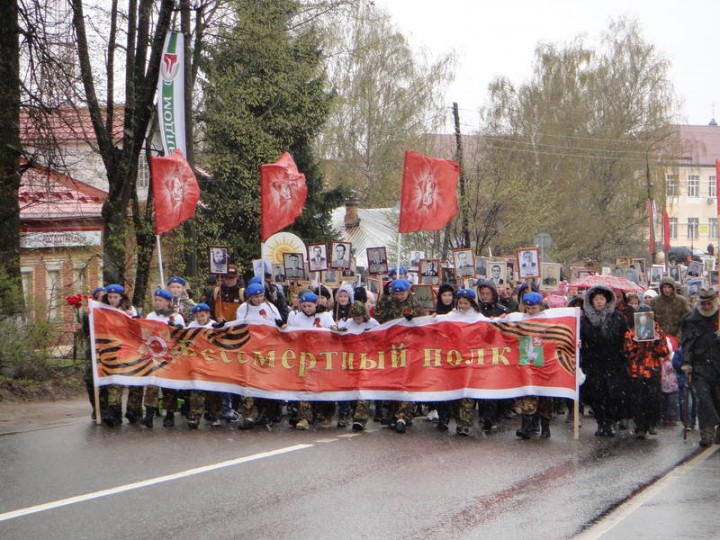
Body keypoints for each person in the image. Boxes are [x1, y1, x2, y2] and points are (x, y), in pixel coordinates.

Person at [374, 278, 424, 433]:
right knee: (391, 380)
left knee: (406, 381)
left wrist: (412, 319)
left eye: (402, 293)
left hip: (408, 348)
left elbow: (422, 325)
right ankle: (390, 412)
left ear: (407, 291)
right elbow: (378, 319)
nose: (400, 296)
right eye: (397, 293)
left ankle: (403, 414)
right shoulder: (387, 303)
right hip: (390, 346)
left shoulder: (415, 305)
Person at [580, 286, 629, 437]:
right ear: (591, 301)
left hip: (614, 361)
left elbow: (626, 338)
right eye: (596, 299)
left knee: (613, 394)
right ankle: (601, 422)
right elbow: (580, 338)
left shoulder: (618, 317)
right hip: (594, 361)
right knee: (596, 394)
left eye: (602, 298)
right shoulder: (585, 319)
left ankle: (610, 422)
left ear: (607, 300)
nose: (599, 302)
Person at [233, 281, 283, 429]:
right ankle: (247, 416)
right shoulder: (244, 309)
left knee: (265, 384)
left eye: (261, 296)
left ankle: (266, 414)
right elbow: (239, 326)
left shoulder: (270, 307)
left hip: (267, 351)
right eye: (256, 297)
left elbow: (278, 325)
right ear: (250, 297)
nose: (259, 299)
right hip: (250, 350)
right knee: (248, 383)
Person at [287, 291, 337, 430]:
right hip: (305, 356)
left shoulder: (325, 316)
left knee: (323, 387)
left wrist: (335, 328)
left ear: (315, 304)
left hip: (322, 358)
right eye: (304, 306)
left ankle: (327, 414)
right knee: (305, 386)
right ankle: (304, 417)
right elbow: (292, 335)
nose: (307, 309)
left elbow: (333, 331)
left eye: (309, 306)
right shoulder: (298, 318)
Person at [435, 289, 482, 436]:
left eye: (465, 303)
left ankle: (464, 425)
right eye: (460, 302)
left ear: (472, 303)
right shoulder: (451, 316)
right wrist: (434, 318)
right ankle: (450, 418)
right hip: (453, 359)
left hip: (470, 360)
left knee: (467, 393)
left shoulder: (478, 318)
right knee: (453, 392)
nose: (462, 305)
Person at [680, 288, 720, 446]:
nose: (707, 306)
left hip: (718, 364)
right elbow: (687, 343)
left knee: (718, 400)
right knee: (704, 400)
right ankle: (706, 433)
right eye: (704, 303)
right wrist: (687, 362)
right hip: (700, 366)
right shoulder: (691, 319)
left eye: (710, 302)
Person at [142, 288, 186, 429]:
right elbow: (146, 333)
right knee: (152, 385)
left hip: (169, 355)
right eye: (156, 300)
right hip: (154, 354)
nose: (158, 303)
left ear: (167, 302)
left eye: (160, 300)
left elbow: (183, 337)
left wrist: (175, 329)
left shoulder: (176, 317)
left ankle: (170, 414)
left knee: (169, 387)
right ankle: (149, 414)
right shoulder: (150, 316)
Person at [99, 284, 141, 427]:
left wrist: (131, 319)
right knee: (114, 381)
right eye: (110, 297)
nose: (112, 300)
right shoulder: (102, 309)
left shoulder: (129, 310)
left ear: (121, 297)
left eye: (115, 297)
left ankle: (134, 411)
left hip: (129, 349)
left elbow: (138, 329)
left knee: (134, 382)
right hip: (112, 349)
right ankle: (114, 412)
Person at [623, 311, 669, 439]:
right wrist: (636, 343)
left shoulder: (659, 333)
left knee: (654, 399)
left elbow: (664, 352)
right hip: (636, 372)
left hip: (653, 370)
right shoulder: (631, 333)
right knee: (638, 400)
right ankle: (641, 427)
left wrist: (656, 342)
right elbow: (628, 352)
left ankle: (653, 423)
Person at [514, 292, 554, 439]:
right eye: (528, 308)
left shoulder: (548, 321)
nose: (531, 311)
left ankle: (545, 426)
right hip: (526, 361)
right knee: (528, 392)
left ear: (540, 307)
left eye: (534, 308)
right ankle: (526, 426)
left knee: (544, 396)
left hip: (544, 362)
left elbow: (556, 338)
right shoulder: (521, 320)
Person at [337, 302, 380, 431]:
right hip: (350, 361)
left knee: (363, 390)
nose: (357, 320)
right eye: (355, 317)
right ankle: (345, 415)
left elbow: (381, 336)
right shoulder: (348, 323)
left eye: (360, 317)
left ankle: (359, 420)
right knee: (348, 389)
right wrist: (337, 329)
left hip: (367, 361)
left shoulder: (372, 323)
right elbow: (337, 332)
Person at [185, 303, 223, 429]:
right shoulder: (192, 326)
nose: (200, 318)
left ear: (207, 314)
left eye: (202, 315)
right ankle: (195, 416)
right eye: (197, 316)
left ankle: (215, 415)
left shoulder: (213, 326)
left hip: (212, 361)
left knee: (213, 391)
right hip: (197, 361)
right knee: (197, 390)